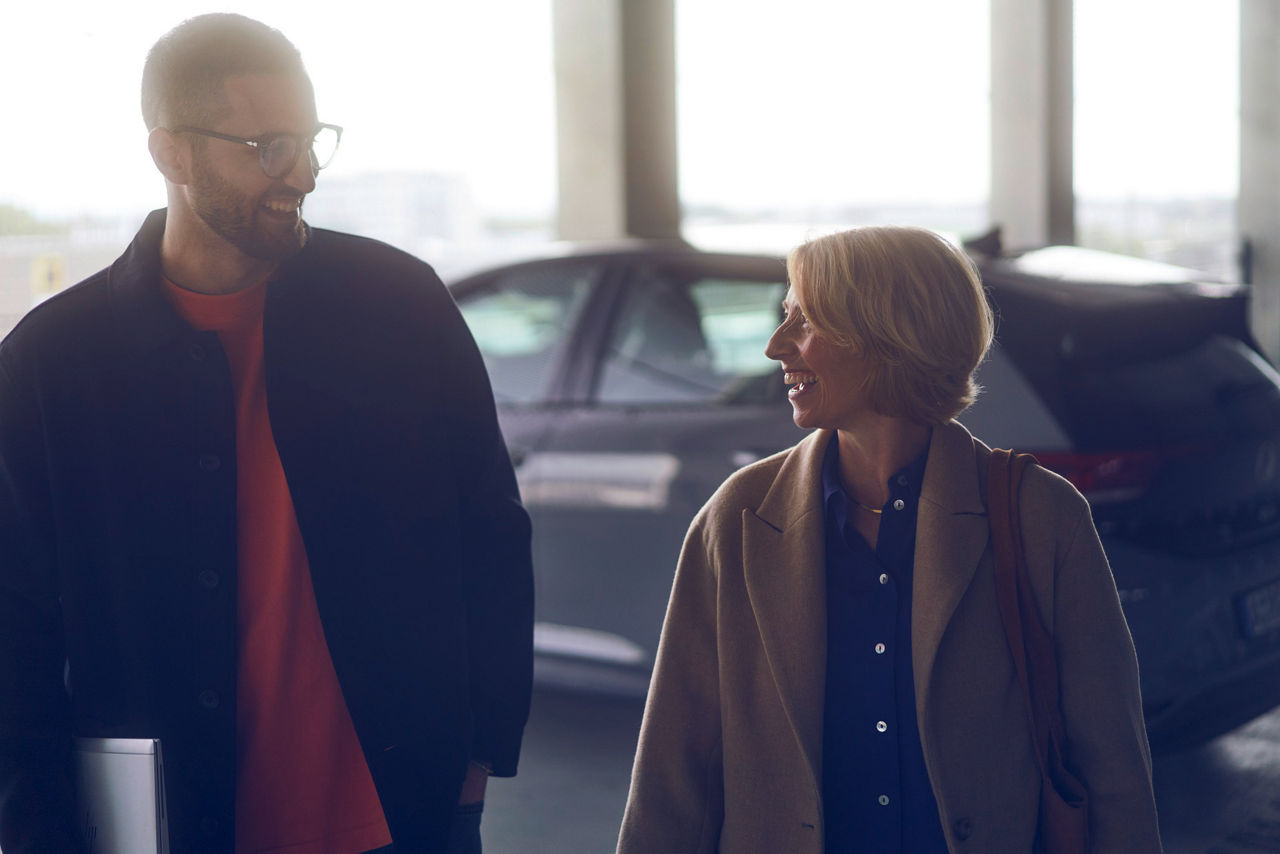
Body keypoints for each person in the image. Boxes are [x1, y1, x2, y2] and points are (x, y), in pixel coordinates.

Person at [0, 13, 533, 854]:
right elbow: (16, 631)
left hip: (403, 815)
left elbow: (490, 536)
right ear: (171, 153)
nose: (306, 174)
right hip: (175, 825)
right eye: (269, 147)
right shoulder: (51, 363)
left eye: (312, 140)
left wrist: (476, 757)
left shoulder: (401, 307)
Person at [616, 226, 1162, 853]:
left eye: (802, 321)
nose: (774, 347)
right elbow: (671, 778)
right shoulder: (736, 519)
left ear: (886, 336)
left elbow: (1112, 767)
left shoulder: (1041, 517)